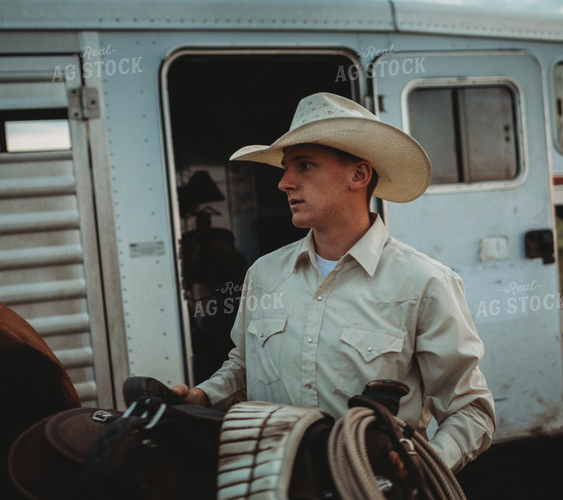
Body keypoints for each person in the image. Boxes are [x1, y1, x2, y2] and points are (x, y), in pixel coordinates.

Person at [171, 92, 495, 473]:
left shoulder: (424, 283)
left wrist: (421, 470)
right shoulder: (265, 275)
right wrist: (202, 395)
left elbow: (469, 411)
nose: (284, 183)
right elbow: (244, 369)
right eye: (286, 167)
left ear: (359, 175)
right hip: (273, 492)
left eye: (304, 166)